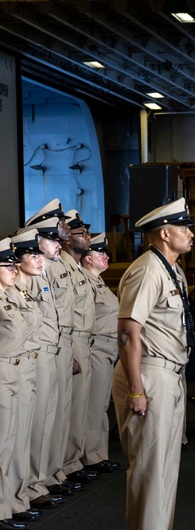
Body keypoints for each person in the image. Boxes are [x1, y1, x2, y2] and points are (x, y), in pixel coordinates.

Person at [112, 198, 195, 530]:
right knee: (149, 463)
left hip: (170, 372)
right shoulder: (148, 270)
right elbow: (130, 333)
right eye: (184, 228)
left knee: (165, 464)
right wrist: (135, 389)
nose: (191, 234)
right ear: (165, 234)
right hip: (148, 372)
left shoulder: (171, 269)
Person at [20, 214, 84, 500]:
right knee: (39, 422)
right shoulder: (32, 275)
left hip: (56, 347)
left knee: (53, 417)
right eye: (52, 240)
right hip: (40, 352)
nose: (60, 244)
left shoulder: (46, 271)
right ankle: (34, 483)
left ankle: (46, 476)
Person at [9, 229, 51, 520]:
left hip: (27, 364)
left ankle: (19, 497)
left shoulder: (22, 291)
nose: (39, 260)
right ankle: (9, 503)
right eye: (32, 255)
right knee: (10, 440)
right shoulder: (8, 294)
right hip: (11, 368)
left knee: (24, 435)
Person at [60, 211, 98, 478]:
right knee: (69, 410)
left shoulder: (76, 270)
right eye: (80, 233)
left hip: (84, 340)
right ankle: (67, 465)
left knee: (81, 408)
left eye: (86, 233)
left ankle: (73, 462)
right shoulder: (58, 268)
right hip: (71, 340)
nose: (87, 237)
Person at [81, 234, 121, 473]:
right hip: (96, 347)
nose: (106, 257)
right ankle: (90, 457)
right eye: (100, 254)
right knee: (94, 405)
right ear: (87, 259)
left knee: (100, 405)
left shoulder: (98, 282)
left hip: (108, 348)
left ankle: (98, 453)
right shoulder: (84, 282)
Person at [0, 238, 31, 530]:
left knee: (9, 442)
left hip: (15, 369)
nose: (13, 268)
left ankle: (5, 506)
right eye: (6, 264)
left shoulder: (11, 294)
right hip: (2, 371)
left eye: (13, 263)